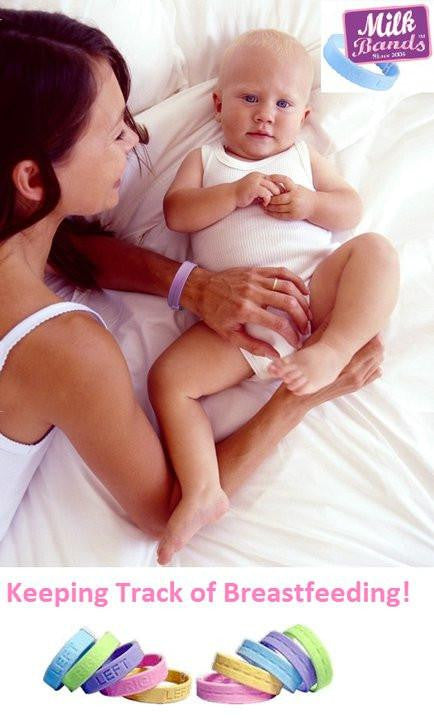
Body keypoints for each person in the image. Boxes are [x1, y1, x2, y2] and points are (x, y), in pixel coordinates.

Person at [0, 10, 383, 557]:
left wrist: (193, 284)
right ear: (33, 179)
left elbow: (72, 251)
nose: (137, 137)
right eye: (114, 132)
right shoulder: (65, 350)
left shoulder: (33, 234)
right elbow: (167, 509)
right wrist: (302, 397)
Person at [149, 29, 399, 564]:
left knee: (376, 251)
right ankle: (203, 490)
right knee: (168, 380)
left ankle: (334, 349)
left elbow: (350, 208)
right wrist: (232, 193)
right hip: (237, 327)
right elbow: (177, 213)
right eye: (250, 97)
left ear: (304, 116)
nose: (265, 114)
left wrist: (311, 204)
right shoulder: (206, 160)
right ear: (218, 104)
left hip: (310, 294)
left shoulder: (305, 159)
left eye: (283, 104)